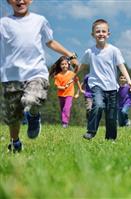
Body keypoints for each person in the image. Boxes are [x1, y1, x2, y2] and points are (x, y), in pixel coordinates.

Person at [0, 0, 78, 152]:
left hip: (36, 72)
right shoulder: (3, 23)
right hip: (11, 75)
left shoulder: (39, 20)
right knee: (13, 115)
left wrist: (69, 54)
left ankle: (34, 115)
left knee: (31, 99)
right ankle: (15, 142)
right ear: (9, 1)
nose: (20, 1)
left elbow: (50, 42)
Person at [75, 18, 131, 140]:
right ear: (93, 34)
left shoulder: (114, 50)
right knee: (98, 105)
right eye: (98, 31)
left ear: (108, 34)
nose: (101, 33)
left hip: (112, 87)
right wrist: (72, 75)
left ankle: (110, 139)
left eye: (103, 31)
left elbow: (121, 66)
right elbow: (82, 65)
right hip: (96, 86)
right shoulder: (89, 51)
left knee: (111, 116)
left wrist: (129, 81)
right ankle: (91, 131)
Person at [49, 56, 81, 128]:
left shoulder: (72, 74)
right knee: (62, 109)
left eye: (65, 64)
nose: (64, 65)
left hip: (69, 94)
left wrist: (78, 92)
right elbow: (58, 86)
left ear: (68, 65)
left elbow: (77, 71)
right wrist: (63, 87)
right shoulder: (58, 76)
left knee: (66, 108)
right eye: (62, 64)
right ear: (60, 66)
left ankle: (65, 123)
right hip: (61, 95)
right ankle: (65, 122)